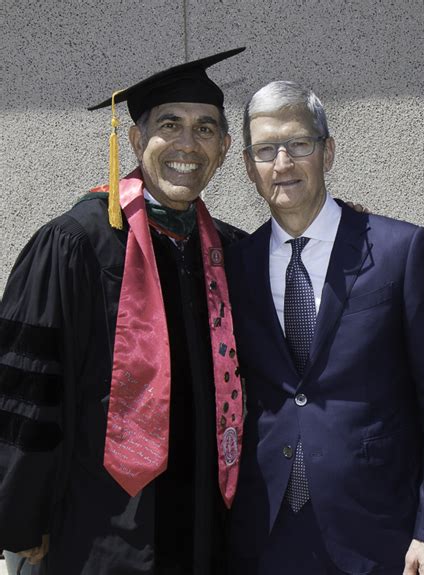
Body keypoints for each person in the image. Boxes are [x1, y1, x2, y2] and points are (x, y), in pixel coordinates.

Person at [0, 48, 247, 575]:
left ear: (225, 149)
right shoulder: (74, 245)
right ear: (135, 139)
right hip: (97, 530)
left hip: (206, 527)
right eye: (169, 125)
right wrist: (22, 516)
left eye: (205, 129)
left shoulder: (227, 253)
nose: (188, 143)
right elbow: (28, 390)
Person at [225, 81, 424, 575]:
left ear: (327, 151)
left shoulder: (400, 251)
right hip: (267, 531)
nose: (283, 163)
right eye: (266, 150)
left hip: (379, 531)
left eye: (299, 144)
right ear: (250, 168)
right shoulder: (234, 265)